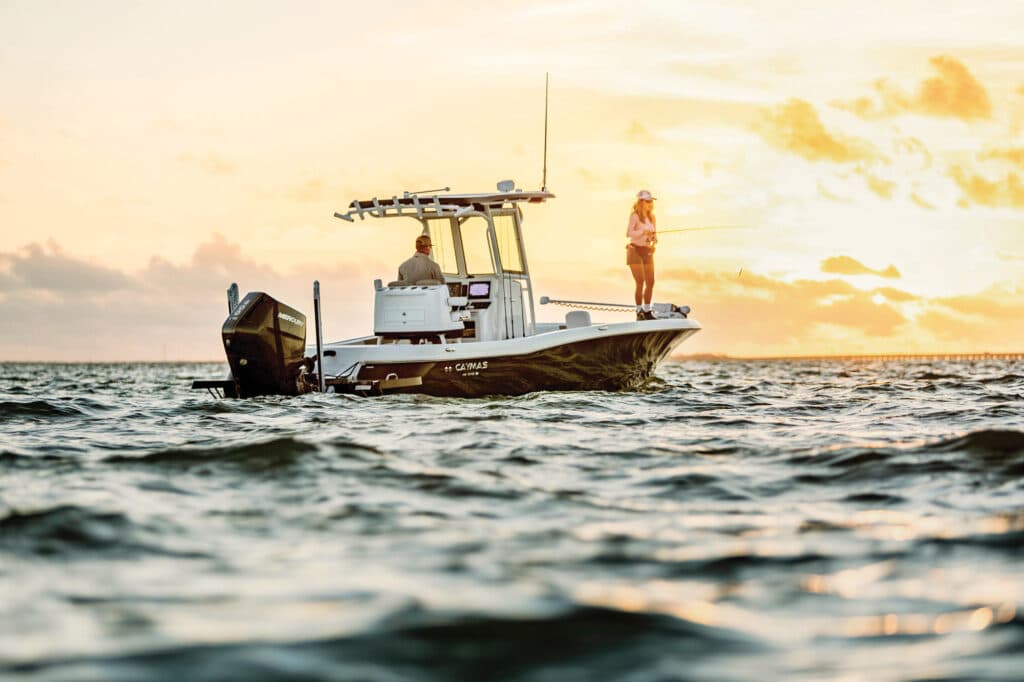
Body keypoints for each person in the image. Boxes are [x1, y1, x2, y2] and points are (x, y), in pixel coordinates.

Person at [626, 189, 657, 320]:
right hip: (634, 251)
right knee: (640, 282)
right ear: (641, 202)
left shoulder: (652, 217)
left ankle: (647, 311)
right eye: (648, 201)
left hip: (647, 251)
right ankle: (639, 312)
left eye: (651, 201)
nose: (650, 203)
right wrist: (642, 233)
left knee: (650, 282)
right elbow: (629, 233)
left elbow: (654, 236)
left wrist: (653, 239)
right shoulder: (635, 216)